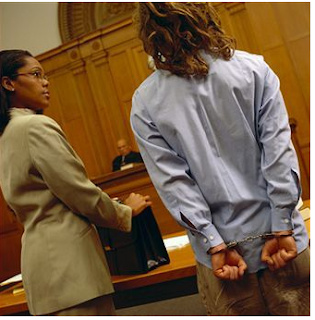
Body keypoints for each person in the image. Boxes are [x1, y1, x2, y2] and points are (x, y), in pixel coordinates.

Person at [130, 3, 309, 316]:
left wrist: (214, 242)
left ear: (149, 31)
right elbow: (279, 155)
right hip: (284, 246)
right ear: (205, 14)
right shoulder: (255, 70)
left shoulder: (146, 102)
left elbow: (175, 184)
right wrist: (281, 227)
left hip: (224, 260)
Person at [0, 49, 152, 316]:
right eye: (36, 75)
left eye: (45, 75)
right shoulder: (35, 127)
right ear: (8, 83)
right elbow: (79, 193)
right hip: (70, 266)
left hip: (40, 266)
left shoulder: (6, 134)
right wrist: (125, 211)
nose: (45, 82)